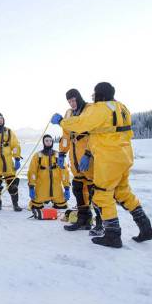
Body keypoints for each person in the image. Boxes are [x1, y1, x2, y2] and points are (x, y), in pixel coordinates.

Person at [52, 82, 152, 248]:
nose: (93, 95)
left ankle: (113, 235)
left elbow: (80, 124)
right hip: (125, 156)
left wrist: (62, 121)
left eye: (95, 92)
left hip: (108, 159)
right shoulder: (121, 107)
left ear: (100, 93)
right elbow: (106, 132)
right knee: (123, 192)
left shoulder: (99, 108)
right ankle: (146, 228)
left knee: (102, 195)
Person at [59, 89, 103, 232]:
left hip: (89, 156)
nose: (72, 103)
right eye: (69, 101)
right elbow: (65, 136)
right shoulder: (68, 113)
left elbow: (95, 134)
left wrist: (89, 153)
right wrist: (61, 153)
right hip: (75, 157)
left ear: (79, 98)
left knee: (93, 190)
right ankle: (83, 219)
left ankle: (100, 223)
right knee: (78, 187)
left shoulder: (89, 109)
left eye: (73, 100)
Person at [27, 134, 70, 211]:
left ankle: (54, 200)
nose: (48, 142)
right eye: (46, 141)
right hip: (41, 187)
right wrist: (31, 186)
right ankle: (43, 200)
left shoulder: (58, 156)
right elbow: (32, 171)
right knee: (35, 206)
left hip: (56, 188)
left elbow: (64, 171)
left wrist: (66, 187)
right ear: (43, 142)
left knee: (62, 206)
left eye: (50, 141)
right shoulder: (37, 156)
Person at [0, 112, 22, 212]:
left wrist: (17, 158)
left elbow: (15, 145)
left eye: (1, 118)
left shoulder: (8, 131)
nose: (0, 120)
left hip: (8, 162)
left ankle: (15, 204)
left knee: (13, 184)